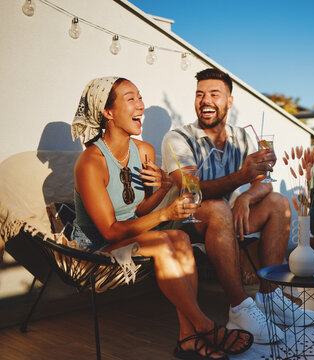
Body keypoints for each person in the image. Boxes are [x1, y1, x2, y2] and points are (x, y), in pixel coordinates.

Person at [71, 77, 253, 360]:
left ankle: (186, 339)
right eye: (131, 99)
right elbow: (109, 231)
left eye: (140, 97)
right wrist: (166, 213)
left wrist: (165, 188)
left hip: (130, 235)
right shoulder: (91, 162)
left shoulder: (144, 151)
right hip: (95, 247)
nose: (141, 105)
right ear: (107, 112)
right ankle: (204, 327)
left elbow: (140, 211)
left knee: (179, 236)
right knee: (164, 242)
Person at [160, 68, 314, 344]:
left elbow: (264, 183)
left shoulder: (241, 137)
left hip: (225, 218)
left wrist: (246, 197)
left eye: (214, 94)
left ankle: (270, 297)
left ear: (229, 101)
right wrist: (242, 178)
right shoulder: (177, 138)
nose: (205, 101)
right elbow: (190, 188)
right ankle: (239, 308)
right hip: (184, 220)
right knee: (218, 208)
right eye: (200, 94)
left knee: (278, 202)